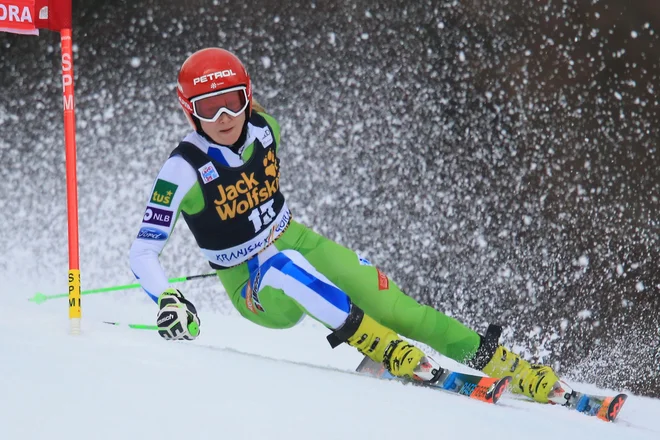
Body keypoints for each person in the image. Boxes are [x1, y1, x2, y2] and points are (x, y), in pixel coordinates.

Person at [129, 47, 564, 403]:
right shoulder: (181, 170)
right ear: (189, 112)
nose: (224, 117)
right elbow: (142, 251)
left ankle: (516, 369)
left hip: (294, 237)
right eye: (208, 108)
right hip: (251, 284)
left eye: (234, 101)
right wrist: (168, 298)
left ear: (248, 96)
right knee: (284, 266)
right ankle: (384, 349)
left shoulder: (266, 129)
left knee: (400, 310)